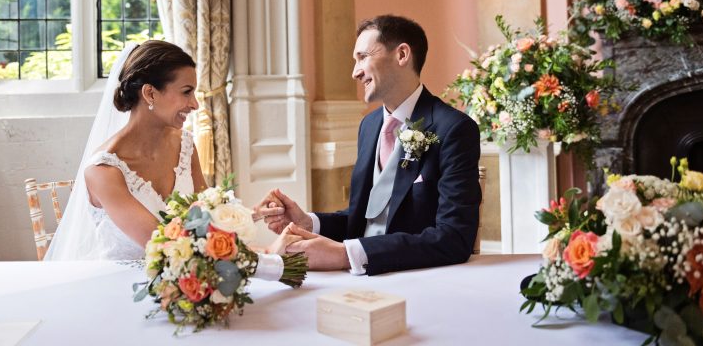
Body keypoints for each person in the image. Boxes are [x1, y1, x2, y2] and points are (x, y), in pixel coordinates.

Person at [255, 15, 482, 275]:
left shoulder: (453, 128)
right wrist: (309, 222)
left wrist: (345, 254)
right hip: (360, 278)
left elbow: (454, 238)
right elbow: (366, 217)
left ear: (402, 54)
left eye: (363, 57)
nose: (355, 72)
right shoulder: (369, 125)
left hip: (416, 277)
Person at [46, 40, 206, 260]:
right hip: (120, 288)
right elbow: (165, 245)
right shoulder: (103, 171)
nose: (195, 104)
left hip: (187, 282)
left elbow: (208, 217)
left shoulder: (185, 145)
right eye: (186, 92)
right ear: (150, 93)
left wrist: (251, 215)